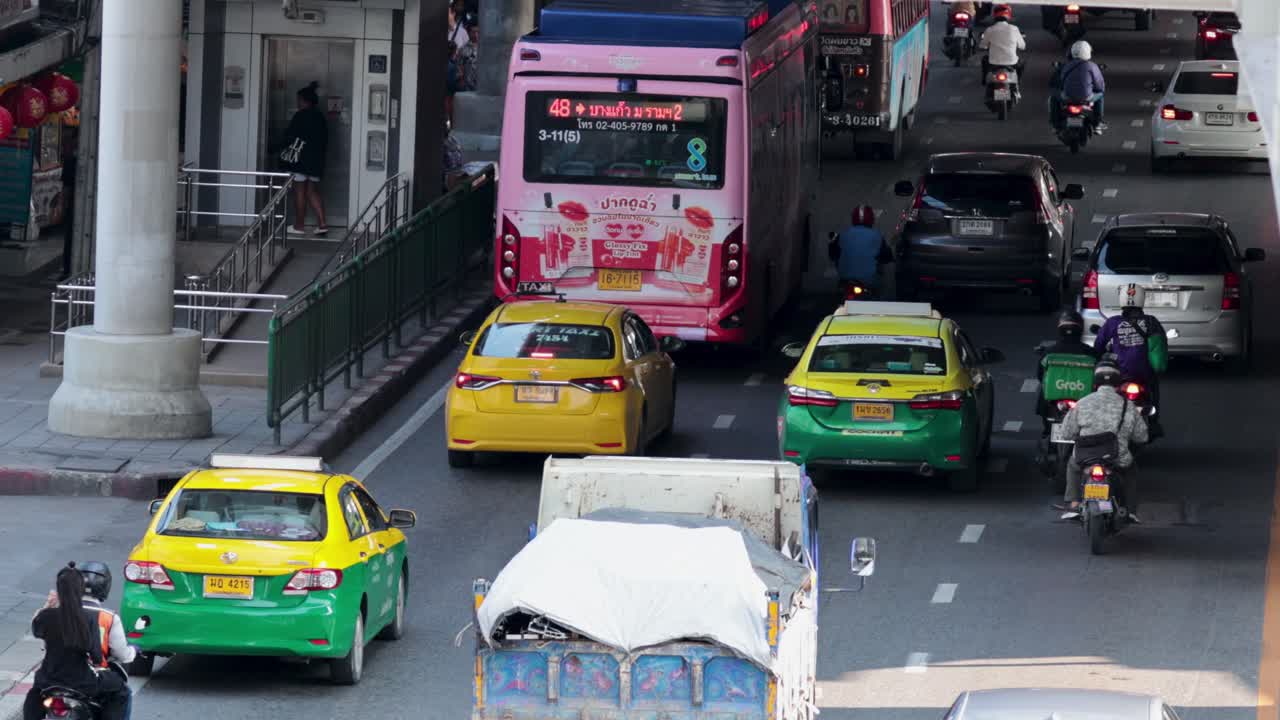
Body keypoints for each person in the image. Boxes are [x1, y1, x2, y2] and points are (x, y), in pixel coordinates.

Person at [23, 564, 131, 720]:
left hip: (47, 679)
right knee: (120, 691)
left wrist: (48, 605)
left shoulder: (47, 615)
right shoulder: (89, 619)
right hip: (81, 681)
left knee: (34, 695)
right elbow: (96, 656)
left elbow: (36, 629)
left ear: (58, 589)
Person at [1057, 356, 1149, 521]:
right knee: (1131, 471)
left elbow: (1066, 433)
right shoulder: (1128, 406)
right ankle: (1130, 511)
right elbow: (1141, 436)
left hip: (1085, 456)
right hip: (1117, 457)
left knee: (1072, 466)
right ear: (1118, 383)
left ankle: (1074, 504)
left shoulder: (1083, 403)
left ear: (1095, 383)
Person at [1094, 282, 1166, 437]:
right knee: (1153, 390)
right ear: (1142, 299)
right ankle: (1153, 423)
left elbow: (1098, 346)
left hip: (1119, 373)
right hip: (1144, 373)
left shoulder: (1113, 322)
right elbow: (1160, 347)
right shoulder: (1151, 321)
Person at [1036, 308, 1099, 432]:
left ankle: (1047, 431)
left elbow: (1040, 375)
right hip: (1084, 401)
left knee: (1043, 391)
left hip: (1052, 403)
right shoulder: (1091, 353)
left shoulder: (1049, 352)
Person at [279, 81, 329, 236]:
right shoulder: (320, 117)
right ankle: (322, 224)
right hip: (316, 161)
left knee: (299, 191)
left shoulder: (300, 116)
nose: (297, 103)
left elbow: (290, 137)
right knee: (311, 191)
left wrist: (276, 148)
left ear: (304, 100)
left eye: (299, 100)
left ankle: (299, 225)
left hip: (300, 160)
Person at [829, 206, 893, 292]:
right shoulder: (877, 236)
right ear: (871, 219)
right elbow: (887, 256)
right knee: (882, 288)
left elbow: (833, 255)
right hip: (869, 280)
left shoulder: (842, 235)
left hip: (846, 280)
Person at [1053, 40, 1107, 133]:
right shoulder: (1092, 66)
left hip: (1067, 97)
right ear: (1088, 52)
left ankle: (1055, 124)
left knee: (1053, 98)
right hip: (1086, 97)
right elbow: (1099, 85)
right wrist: (1099, 90)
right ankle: (1097, 123)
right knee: (1100, 96)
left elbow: (1060, 81)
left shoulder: (1066, 66)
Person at [979, 4, 1026, 87]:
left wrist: (987, 46)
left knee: (984, 60)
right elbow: (1022, 46)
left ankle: (984, 79)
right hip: (1011, 62)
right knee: (1022, 62)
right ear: (1008, 16)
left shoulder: (990, 29)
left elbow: (982, 46)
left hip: (993, 62)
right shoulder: (1014, 29)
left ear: (994, 16)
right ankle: (1018, 82)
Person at [456, 15, 480, 91]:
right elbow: (459, 69)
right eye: (473, 32)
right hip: (468, 89)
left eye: (478, 32)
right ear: (468, 32)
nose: (476, 35)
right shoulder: (463, 50)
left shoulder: (486, 49)